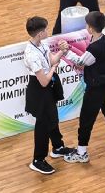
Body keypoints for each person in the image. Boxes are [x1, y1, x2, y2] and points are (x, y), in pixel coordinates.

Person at [64, 11, 105, 163]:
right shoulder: (102, 39)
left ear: (91, 28)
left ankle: (81, 152)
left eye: (87, 25)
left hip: (96, 87)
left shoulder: (95, 48)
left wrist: (66, 51)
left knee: (86, 118)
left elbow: (81, 62)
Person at [22, 15, 73, 175]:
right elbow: (43, 81)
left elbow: (52, 60)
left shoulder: (42, 44)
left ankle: (57, 147)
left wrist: (62, 51)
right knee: (43, 125)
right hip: (39, 89)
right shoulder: (31, 54)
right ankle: (38, 160)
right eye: (45, 30)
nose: (47, 32)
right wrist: (53, 69)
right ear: (39, 34)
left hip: (48, 85)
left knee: (53, 117)